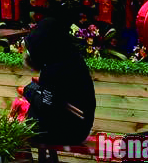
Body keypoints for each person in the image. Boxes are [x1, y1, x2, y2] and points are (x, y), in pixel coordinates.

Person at [20, 17, 96, 146]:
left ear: (43, 45)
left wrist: (28, 91)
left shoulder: (54, 69)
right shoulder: (71, 57)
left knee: (19, 131)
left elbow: (47, 107)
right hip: (80, 128)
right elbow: (57, 95)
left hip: (66, 132)